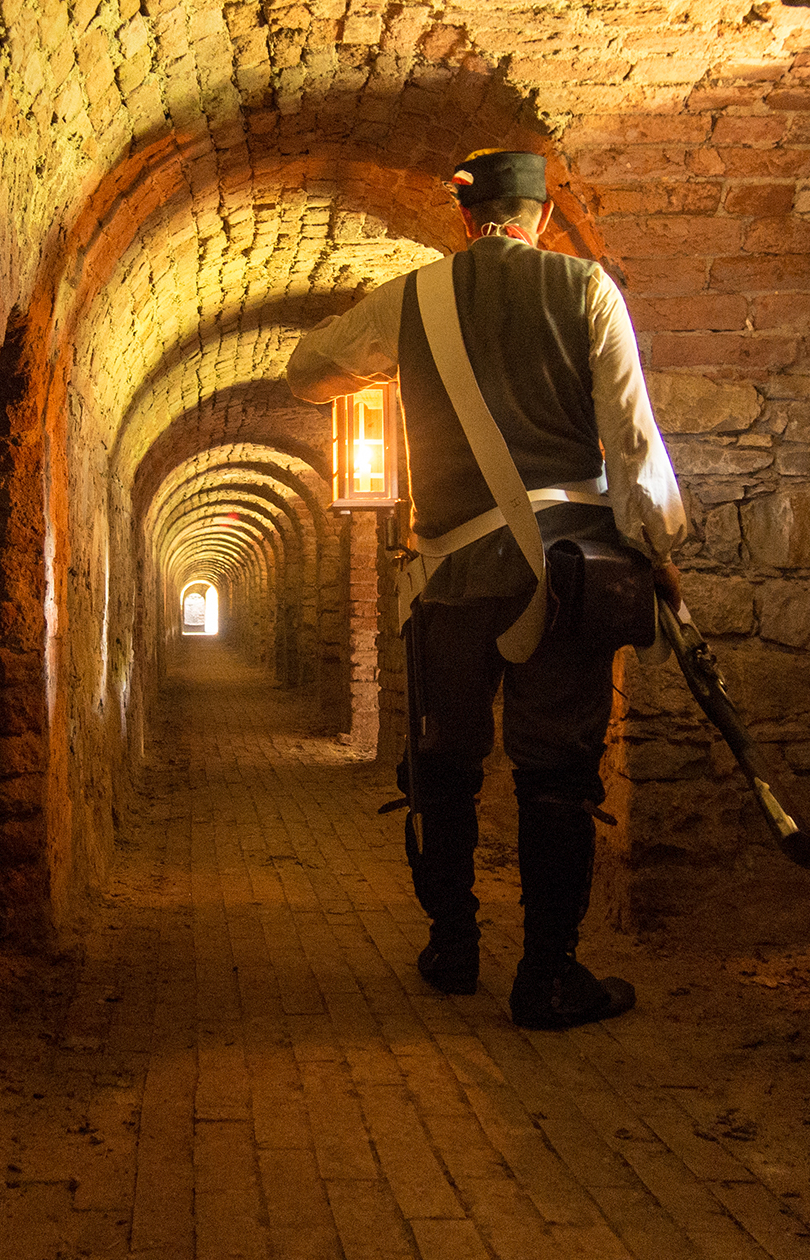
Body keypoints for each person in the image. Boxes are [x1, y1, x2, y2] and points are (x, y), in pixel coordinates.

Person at [285, 149, 687, 1029]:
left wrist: (389, 370)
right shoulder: (586, 291)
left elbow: (305, 371)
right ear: (540, 216)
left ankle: (453, 945)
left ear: (467, 221)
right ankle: (547, 974)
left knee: (443, 768)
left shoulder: (413, 300)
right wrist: (657, 546)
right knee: (558, 774)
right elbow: (630, 433)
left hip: (453, 579)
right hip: (569, 574)